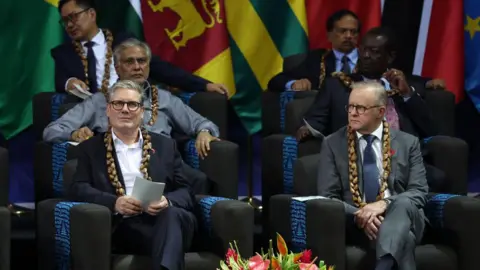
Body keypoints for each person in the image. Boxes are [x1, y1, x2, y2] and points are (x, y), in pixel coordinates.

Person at [44, 38, 219, 194]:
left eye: (142, 61)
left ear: (148, 65)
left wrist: (204, 131)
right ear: (117, 67)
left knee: (199, 181)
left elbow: (202, 123)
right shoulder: (99, 101)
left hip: (161, 162)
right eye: (130, 62)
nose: (137, 67)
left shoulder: (164, 98)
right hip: (116, 165)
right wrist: (73, 134)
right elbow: (52, 130)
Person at [68, 80, 195, 270]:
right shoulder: (90, 149)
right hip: (126, 227)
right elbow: (79, 188)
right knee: (168, 227)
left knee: (171, 215)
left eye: (133, 104)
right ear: (108, 110)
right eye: (118, 104)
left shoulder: (165, 146)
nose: (125, 110)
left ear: (142, 111)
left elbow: (187, 191)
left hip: (170, 219)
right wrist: (114, 203)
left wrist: (166, 201)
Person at [317, 81, 428, 270]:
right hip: (359, 223)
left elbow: (419, 191)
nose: (352, 113)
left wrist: (383, 204)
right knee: (404, 239)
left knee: (401, 203)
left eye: (360, 108)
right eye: (350, 106)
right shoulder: (333, 143)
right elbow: (328, 197)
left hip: (406, 214)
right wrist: (364, 215)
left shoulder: (407, 143)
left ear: (381, 111)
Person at [54, 0, 227, 95]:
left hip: (135, 110)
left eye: (74, 17)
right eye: (65, 21)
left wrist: (204, 85)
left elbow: (160, 68)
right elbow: (61, 81)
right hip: (93, 117)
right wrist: (70, 83)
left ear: (91, 14)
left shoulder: (123, 40)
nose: (70, 24)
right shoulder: (63, 53)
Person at [267, 9, 360, 91]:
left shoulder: (369, 58)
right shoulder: (317, 59)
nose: (349, 36)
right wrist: (294, 83)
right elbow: (276, 81)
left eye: (353, 32)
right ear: (329, 36)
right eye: (343, 31)